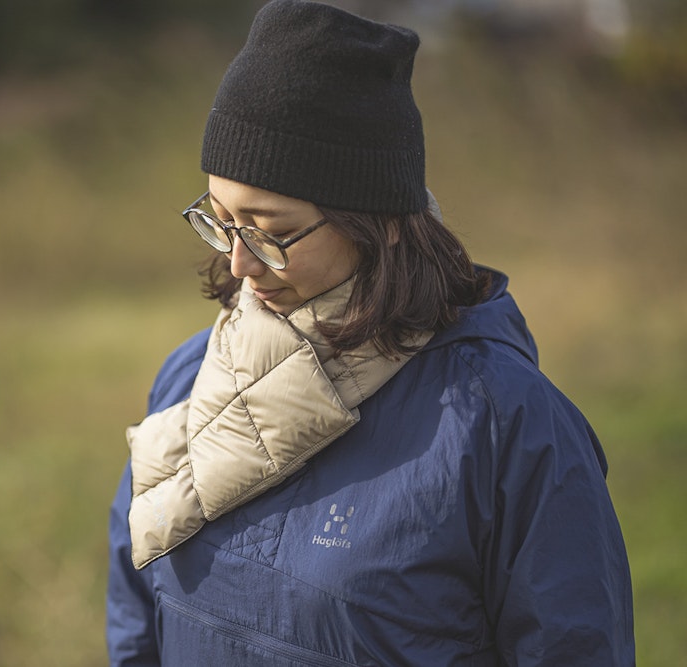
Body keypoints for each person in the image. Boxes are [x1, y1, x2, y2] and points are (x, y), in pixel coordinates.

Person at [106, 1, 635, 664]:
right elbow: (137, 614)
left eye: (269, 232)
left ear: (380, 220)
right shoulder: (188, 376)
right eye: (219, 220)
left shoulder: (506, 427)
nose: (238, 265)